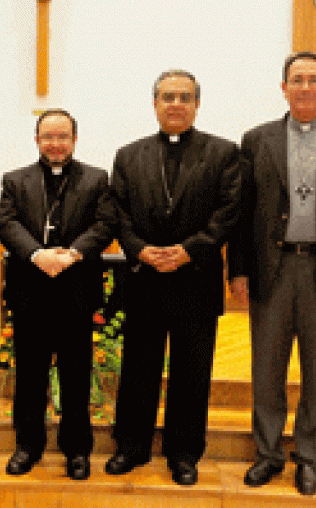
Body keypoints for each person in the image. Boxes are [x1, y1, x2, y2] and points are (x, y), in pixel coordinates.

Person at [228, 52, 316, 496]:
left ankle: (308, 456)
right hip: (272, 267)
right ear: (282, 87)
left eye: (313, 79)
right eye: (296, 79)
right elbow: (242, 212)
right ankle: (267, 454)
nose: (304, 86)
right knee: (266, 368)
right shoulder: (256, 139)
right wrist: (239, 270)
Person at [107, 70, 241, 486]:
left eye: (185, 97)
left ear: (197, 105)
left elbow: (229, 212)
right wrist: (140, 249)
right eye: (168, 97)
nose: (176, 104)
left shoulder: (223, 153)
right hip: (145, 278)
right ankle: (132, 446)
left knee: (192, 371)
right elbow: (118, 211)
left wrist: (188, 250)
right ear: (156, 104)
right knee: (138, 368)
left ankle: (184, 454)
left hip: (195, 278)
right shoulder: (129, 155)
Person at [0, 109, 117, 480]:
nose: (56, 143)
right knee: (30, 375)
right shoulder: (16, 180)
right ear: (37, 140)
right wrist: (37, 254)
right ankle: (27, 445)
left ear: (74, 139)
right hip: (30, 292)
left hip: (75, 292)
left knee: (76, 374)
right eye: (48, 136)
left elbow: (105, 222)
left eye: (63, 136)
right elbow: (4, 222)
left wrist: (73, 254)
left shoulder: (96, 179)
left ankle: (77, 449)